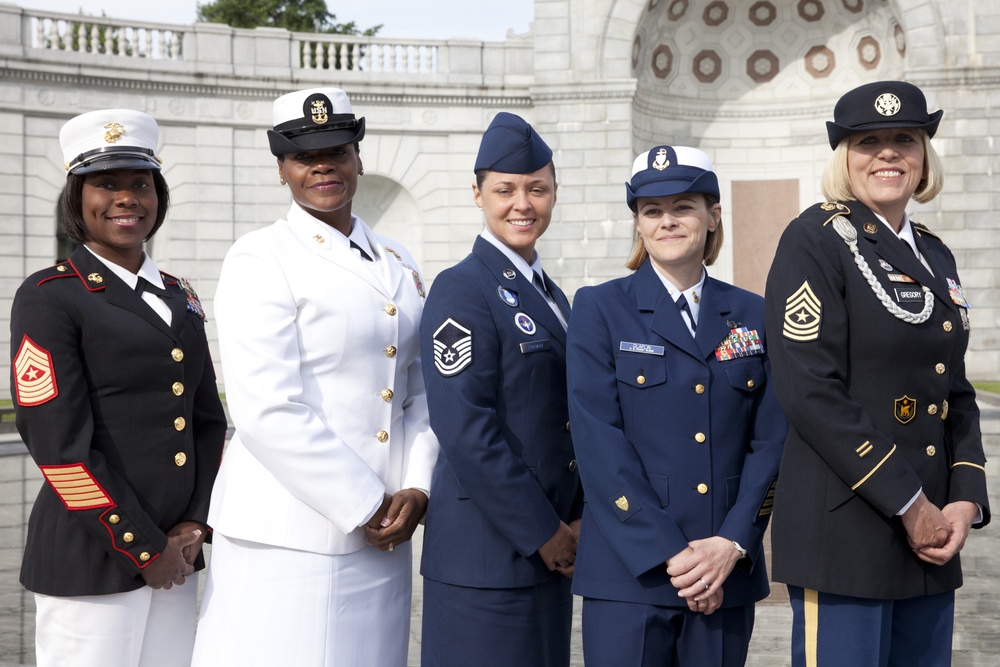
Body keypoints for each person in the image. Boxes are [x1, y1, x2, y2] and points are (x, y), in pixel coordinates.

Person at [190, 87, 438, 666]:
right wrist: (364, 501)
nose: (324, 165)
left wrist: (417, 488)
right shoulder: (260, 258)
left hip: (384, 533)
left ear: (358, 156)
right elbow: (265, 409)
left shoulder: (399, 260)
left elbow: (420, 391)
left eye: (338, 149)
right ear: (282, 169)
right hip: (289, 534)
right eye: (305, 156)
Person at [764, 80, 991, 667]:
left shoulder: (935, 255)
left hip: (932, 538)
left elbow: (954, 389)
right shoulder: (814, 239)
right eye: (869, 141)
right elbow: (809, 389)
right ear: (845, 157)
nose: (889, 153)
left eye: (904, 140)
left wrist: (964, 498)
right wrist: (909, 504)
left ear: (923, 157)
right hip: (847, 532)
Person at [9, 109, 227, 667]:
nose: (126, 198)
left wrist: (195, 524)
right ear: (77, 198)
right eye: (105, 184)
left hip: (177, 554)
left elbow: (204, 421)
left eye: (140, 183)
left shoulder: (179, 295)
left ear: (159, 195)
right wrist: (143, 547)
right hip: (94, 558)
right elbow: (61, 450)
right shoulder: (51, 296)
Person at [566, 145, 787, 666]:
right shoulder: (600, 308)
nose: (668, 221)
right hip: (631, 573)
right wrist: (676, 555)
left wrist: (731, 544)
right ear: (639, 225)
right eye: (652, 211)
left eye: (683, 206)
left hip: (726, 573)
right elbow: (599, 444)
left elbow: (772, 440)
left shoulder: (754, 314)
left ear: (713, 216)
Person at [418, 112, 582, 666]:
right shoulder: (461, 288)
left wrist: (576, 519)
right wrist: (544, 531)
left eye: (537, 189)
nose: (522, 204)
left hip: (550, 553)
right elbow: (466, 427)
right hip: (486, 560)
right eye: (505, 190)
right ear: (478, 194)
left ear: (555, 194)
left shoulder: (554, 297)